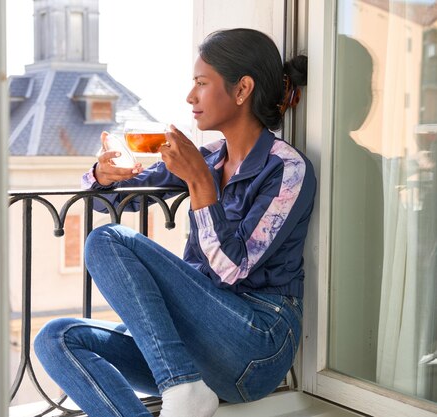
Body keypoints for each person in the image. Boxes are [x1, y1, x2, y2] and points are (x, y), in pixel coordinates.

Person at [34, 28, 316, 417]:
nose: (190, 96)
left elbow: (232, 271)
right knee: (55, 339)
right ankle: (181, 385)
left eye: (202, 83)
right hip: (196, 347)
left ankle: (181, 388)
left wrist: (200, 181)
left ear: (241, 89)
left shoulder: (287, 170)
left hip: (256, 344)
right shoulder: (212, 157)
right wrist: (104, 174)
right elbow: (110, 199)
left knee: (107, 240)